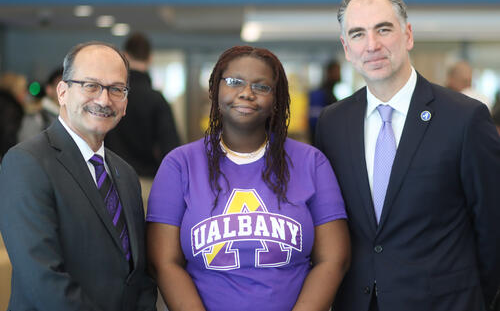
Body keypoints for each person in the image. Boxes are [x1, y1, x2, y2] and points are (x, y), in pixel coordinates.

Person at [316, 0, 500, 311]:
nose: (371, 45)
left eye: (383, 29)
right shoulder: (333, 123)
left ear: (408, 35)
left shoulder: (464, 118)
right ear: (346, 47)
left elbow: (493, 227)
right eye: (358, 34)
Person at [147, 45, 350, 311]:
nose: (246, 93)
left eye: (261, 87)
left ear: (276, 99)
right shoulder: (179, 164)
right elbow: (163, 262)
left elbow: (334, 259)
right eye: (234, 82)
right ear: (214, 90)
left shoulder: (311, 162)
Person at [0, 41, 157, 310]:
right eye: (90, 85)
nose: (104, 99)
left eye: (116, 89)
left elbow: (138, 274)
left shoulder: (125, 174)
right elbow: (43, 279)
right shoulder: (26, 162)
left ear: (126, 102)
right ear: (62, 92)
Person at [106, 32, 180, 189]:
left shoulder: (109, 97)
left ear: (125, 56)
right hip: (145, 183)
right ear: (150, 58)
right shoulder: (157, 99)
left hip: (110, 181)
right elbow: (171, 149)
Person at [18, 66, 63, 141]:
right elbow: (26, 148)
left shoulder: (73, 117)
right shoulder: (36, 117)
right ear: (49, 90)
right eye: (60, 86)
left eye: (70, 86)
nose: (65, 91)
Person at [308, 59, 341, 144]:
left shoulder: (331, 93)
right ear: (328, 73)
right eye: (336, 71)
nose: (339, 75)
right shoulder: (319, 94)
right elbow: (315, 123)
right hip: (323, 142)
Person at [0, 72, 27, 162]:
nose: (25, 94)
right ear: (16, 90)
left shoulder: (4, 103)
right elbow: (8, 136)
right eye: (23, 90)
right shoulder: (11, 108)